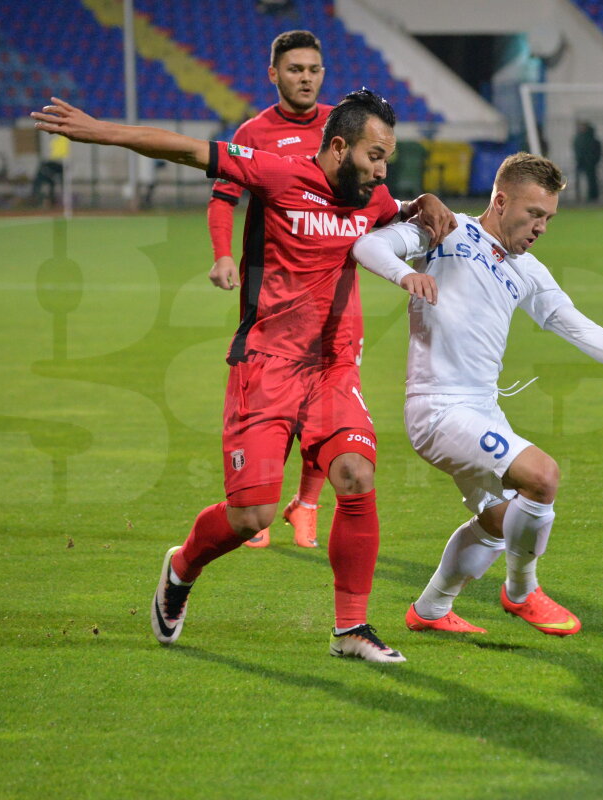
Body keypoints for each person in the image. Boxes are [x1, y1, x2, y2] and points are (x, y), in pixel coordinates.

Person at [31, 90, 456, 663]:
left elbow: (397, 209)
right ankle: (182, 567)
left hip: (332, 368)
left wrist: (422, 201)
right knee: (251, 516)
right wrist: (99, 129)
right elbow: (186, 150)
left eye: (387, 159)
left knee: (356, 474)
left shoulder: (372, 197)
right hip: (266, 366)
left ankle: (351, 628)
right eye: (375, 156)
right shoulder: (279, 174)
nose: (383, 170)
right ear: (339, 147)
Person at [352, 153, 603, 637]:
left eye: (549, 218)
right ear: (501, 201)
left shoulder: (528, 270)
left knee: (502, 521)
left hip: (482, 409)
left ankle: (430, 610)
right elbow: (368, 245)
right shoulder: (447, 230)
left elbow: (581, 329)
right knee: (542, 476)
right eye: (534, 213)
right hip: (438, 408)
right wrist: (405, 273)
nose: (541, 227)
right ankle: (521, 592)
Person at [208, 29, 333, 549]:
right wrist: (222, 254)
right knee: (271, 399)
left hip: (332, 288)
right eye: (295, 69)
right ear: (274, 74)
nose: (305, 78)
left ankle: (306, 504)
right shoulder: (254, 132)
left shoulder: (340, 126)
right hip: (272, 291)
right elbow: (223, 198)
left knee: (325, 407)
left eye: (313, 70)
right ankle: (255, 500)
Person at [572, 121, 602, 202]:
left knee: (592, 180)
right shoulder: (579, 139)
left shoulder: (591, 139)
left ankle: (593, 196)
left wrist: (593, 160)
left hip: (590, 163)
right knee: (579, 180)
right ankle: (579, 196)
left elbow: (597, 151)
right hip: (581, 162)